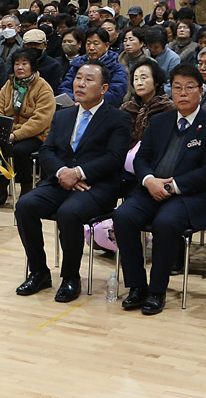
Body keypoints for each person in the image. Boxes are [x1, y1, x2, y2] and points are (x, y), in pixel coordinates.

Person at [115, 65, 206, 314]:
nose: (183, 93)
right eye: (177, 88)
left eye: (189, 88)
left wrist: (171, 186)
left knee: (165, 223)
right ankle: (136, 286)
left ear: (201, 91)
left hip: (190, 196)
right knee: (123, 216)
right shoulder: (159, 121)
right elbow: (141, 158)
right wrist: (148, 180)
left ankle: (157, 290)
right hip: (152, 188)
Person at [13, 61, 132, 303]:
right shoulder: (62, 115)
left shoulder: (118, 118)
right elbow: (46, 150)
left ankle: (70, 277)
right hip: (59, 182)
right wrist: (62, 173)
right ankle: (39, 272)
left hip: (95, 187)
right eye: (78, 78)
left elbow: (114, 158)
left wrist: (78, 173)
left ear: (104, 88)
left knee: (69, 213)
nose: (80, 84)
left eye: (89, 80)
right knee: (25, 205)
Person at [0, 47, 56, 206]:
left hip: (36, 134)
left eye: (24, 64)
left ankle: (26, 184)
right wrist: (0, 131)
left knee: (19, 150)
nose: (19, 67)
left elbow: (41, 120)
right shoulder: (8, 84)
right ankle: (1, 180)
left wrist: (16, 135)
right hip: (8, 132)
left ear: (33, 66)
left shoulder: (43, 87)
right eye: (16, 64)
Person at [60, 27, 128, 106]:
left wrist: (88, 102)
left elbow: (115, 94)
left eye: (96, 44)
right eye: (88, 43)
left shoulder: (116, 68)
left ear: (106, 46)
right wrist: (75, 101)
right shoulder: (77, 64)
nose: (91, 48)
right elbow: (65, 87)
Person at [121, 58, 177, 146]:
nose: (139, 83)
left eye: (143, 78)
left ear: (156, 81)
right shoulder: (126, 108)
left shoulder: (168, 109)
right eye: (136, 79)